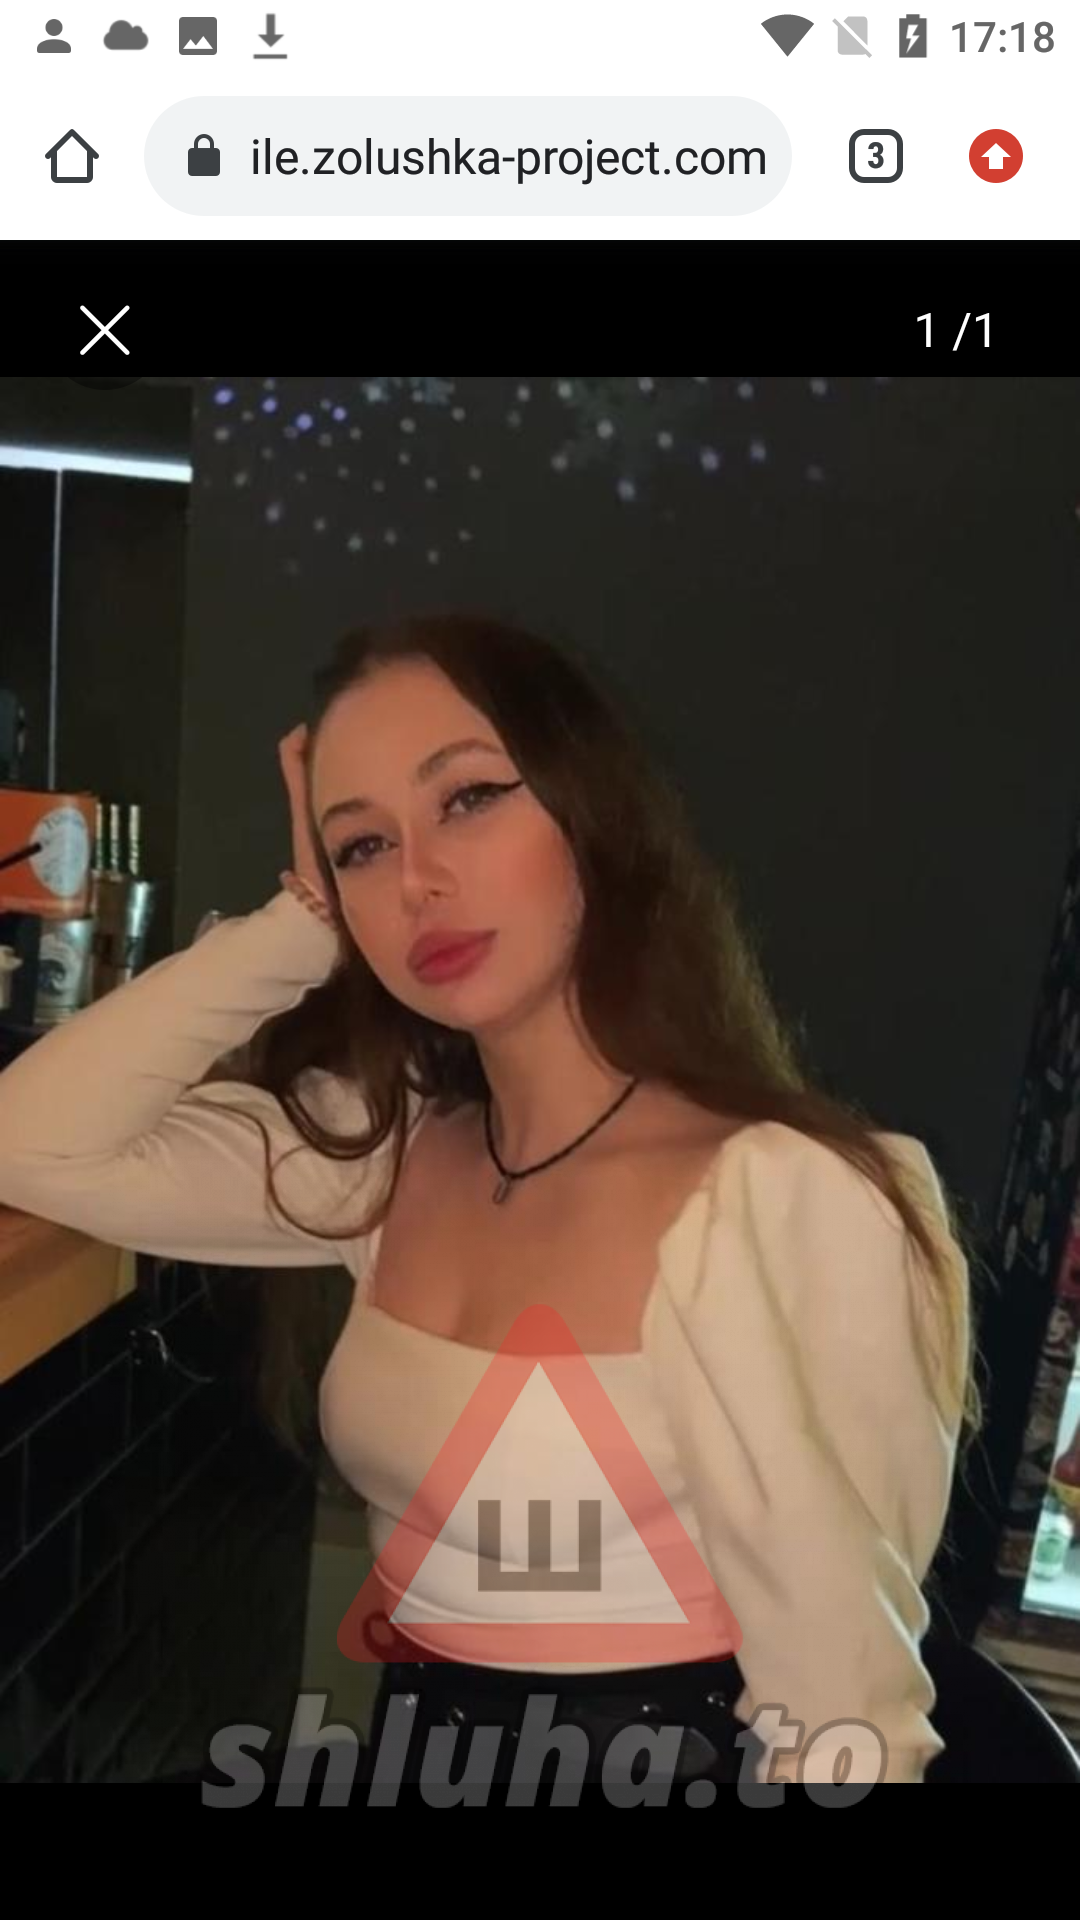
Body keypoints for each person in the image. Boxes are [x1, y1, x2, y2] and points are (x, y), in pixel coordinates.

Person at [0, 613, 981, 1800]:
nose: (417, 880)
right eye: (363, 845)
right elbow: (31, 1143)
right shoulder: (384, 1154)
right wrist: (299, 928)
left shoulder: (781, 1196)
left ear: (591, 808)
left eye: (468, 799)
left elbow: (847, 1729)